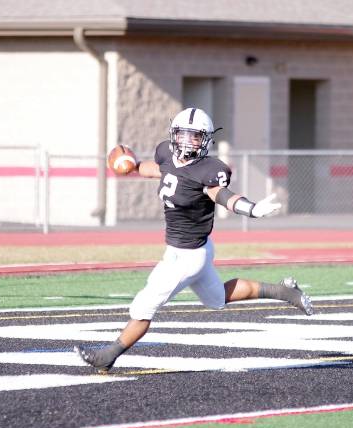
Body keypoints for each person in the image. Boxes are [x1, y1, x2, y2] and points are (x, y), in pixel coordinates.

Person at [75, 107, 313, 372]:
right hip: (185, 250)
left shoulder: (208, 170)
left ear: (207, 140)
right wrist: (132, 167)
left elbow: (222, 196)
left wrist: (252, 209)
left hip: (189, 257)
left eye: (195, 137)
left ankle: (108, 355)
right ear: (174, 135)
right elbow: (161, 170)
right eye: (183, 135)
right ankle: (284, 291)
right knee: (217, 299)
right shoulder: (166, 153)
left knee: (144, 305)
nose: (188, 142)